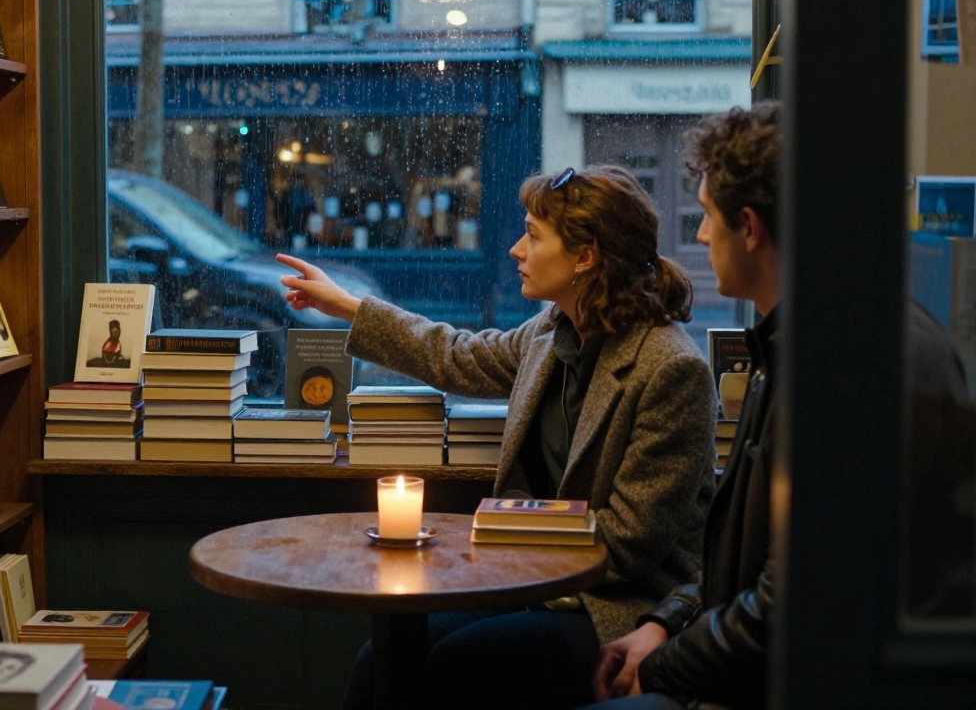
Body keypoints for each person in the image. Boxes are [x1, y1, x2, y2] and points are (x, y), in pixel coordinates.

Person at [277, 164, 718, 710]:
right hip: (536, 585)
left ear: (585, 257)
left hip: (617, 604)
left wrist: (500, 533)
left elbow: (629, 540)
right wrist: (344, 305)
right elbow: (457, 354)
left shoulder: (670, 369)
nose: (515, 249)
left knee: (459, 665)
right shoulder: (551, 331)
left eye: (533, 236)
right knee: (383, 659)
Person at [587, 101, 976, 710]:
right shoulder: (798, 342)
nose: (701, 235)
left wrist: (665, 666)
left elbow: (793, 606)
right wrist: (665, 622)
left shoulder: (850, 366)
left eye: (710, 216)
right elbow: (748, 567)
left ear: (750, 226)